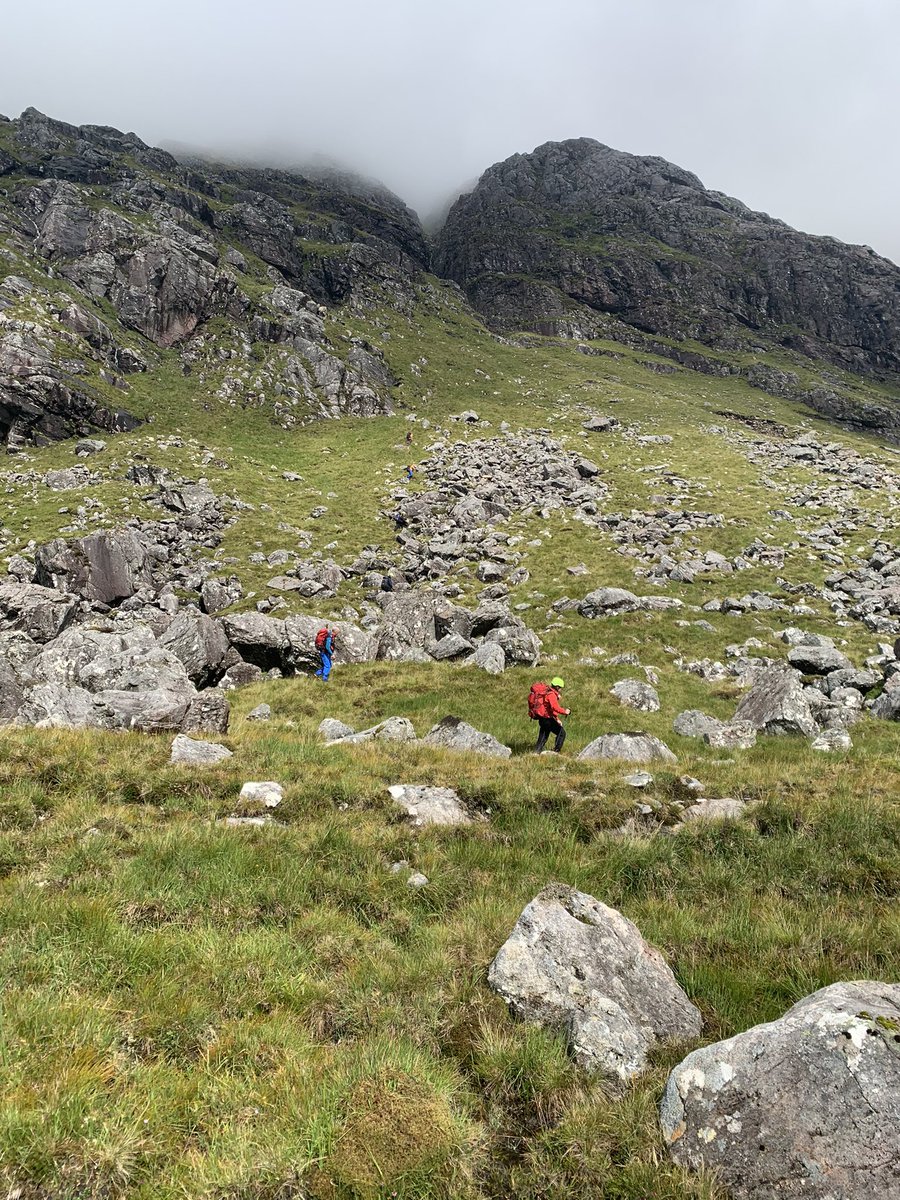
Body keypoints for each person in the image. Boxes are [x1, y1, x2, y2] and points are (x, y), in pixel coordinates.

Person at [535, 677, 570, 753]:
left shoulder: (547, 692)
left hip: (542, 719)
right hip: (547, 720)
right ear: (557, 687)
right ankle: (556, 751)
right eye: (560, 688)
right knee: (562, 733)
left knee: (543, 736)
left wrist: (557, 719)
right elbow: (555, 707)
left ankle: (536, 753)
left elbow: (549, 709)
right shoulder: (551, 694)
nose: (561, 689)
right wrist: (565, 712)